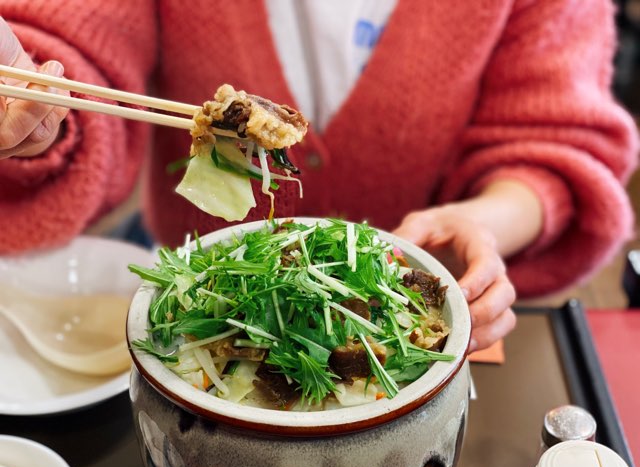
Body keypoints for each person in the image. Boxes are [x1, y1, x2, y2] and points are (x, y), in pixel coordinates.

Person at [0, 1, 637, 353]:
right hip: (199, 307)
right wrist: (36, 111)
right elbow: (70, 46)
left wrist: (481, 220)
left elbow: (553, 138)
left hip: (407, 318)